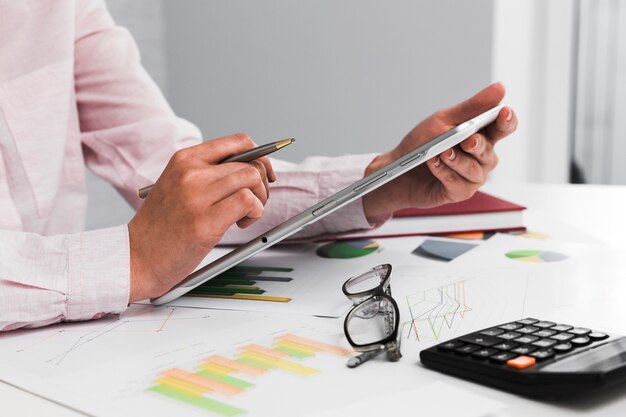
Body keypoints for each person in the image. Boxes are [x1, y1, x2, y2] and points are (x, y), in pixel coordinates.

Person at [0, 1, 517, 331]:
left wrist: (380, 181)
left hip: (58, 343)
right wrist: (133, 261)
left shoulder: (60, 8)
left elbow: (168, 172)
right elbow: (153, 244)